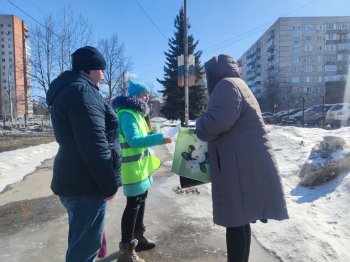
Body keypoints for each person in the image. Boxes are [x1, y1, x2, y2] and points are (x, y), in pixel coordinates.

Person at [195, 54, 289, 262]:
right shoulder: (238, 84)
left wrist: (199, 123)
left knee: (235, 221)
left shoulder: (226, 86)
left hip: (237, 167)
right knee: (240, 219)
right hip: (243, 163)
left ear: (214, 73)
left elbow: (213, 124)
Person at [46, 46, 121, 262]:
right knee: (84, 250)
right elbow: (95, 145)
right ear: (90, 69)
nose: (104, 75)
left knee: (81, 242)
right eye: (102, 70)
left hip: (76, 180)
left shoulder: (72, 89)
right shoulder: (83, 93)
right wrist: (108, 185)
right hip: (85, 185)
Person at [111, 80, 172, 262]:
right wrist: (159, 138)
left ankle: (139, 238)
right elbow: (134, 141)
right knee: (133, 206)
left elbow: (142, 137)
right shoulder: (127, 114)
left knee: (141, 202)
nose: (146, 96)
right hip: (133, 169)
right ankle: (126, 251)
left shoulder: (138, 114)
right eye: (143, 94)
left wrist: (153, 131)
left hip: (141, 167)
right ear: (133, 96)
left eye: (147, 94)